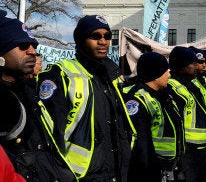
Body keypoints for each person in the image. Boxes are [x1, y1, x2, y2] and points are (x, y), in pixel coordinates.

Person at [38, 14, 135, 181]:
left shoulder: (112, 76)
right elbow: (49, 136)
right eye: (95, 36)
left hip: (117, 173)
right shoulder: (60, 75)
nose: (103, 41)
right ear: (81, 40)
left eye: (107, 36)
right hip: (81, 175)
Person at [0, 11, 74, 181]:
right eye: (23, 46)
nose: (33, 52)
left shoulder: (29, 92)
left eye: (34, 46)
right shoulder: (4, 101)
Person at [123, 52, 184, 181]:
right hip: (149, 169)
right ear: (155, 74)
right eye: (166, 71)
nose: (169, 74)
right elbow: (139, 141)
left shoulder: (164, 95)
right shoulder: (136, 99)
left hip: (166, 166)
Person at [167, 46, 206, 182]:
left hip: (202, 146)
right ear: (182, 65)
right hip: (187, 149)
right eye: (192, 64)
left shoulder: (194, 83)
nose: (197, 67)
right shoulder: (172, 86)